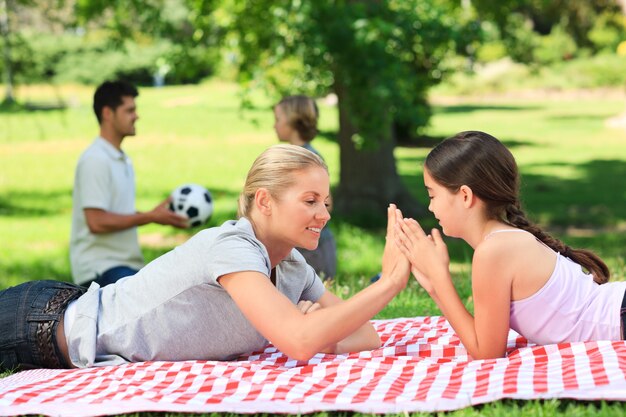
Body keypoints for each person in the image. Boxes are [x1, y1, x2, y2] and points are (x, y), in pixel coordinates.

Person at [0, 144, 410, 371]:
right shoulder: (232, 248)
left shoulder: (291, 267)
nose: (324, 214)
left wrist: (312, 322)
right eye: (310, 201)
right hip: (43, 326)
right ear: (264, 201)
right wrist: (389, 283)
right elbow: (299, 343)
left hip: (59, 325)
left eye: (326, 201)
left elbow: (365, 336)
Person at [393, 130, 626, 360]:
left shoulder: (493, 251)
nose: (430, 208)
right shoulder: (503, 240)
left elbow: (487, 354)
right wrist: (434, 285)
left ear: (465, 195)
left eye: (432, 196)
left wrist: (439, 277)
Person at [70, 80, 187, 288]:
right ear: (108, 113)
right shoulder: (95, 159)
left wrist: (153, 215)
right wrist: (149, 217)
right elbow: (96, 221)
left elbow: (113, 213)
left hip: (122, 266)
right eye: (129, 110)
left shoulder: (120, 158)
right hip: (101, 269)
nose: (137, 116)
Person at [273, 95, 337, 279]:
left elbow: (327, 204)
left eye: (278, 119)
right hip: (303, 248)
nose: (274, 125)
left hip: (314, 253)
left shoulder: (307, 160)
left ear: (293, 121)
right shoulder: (295, 156)